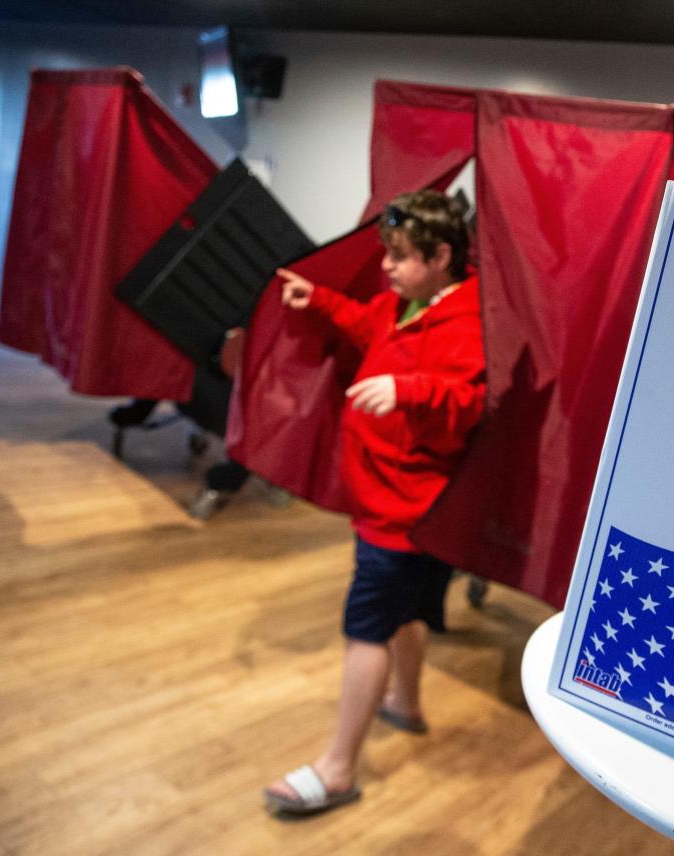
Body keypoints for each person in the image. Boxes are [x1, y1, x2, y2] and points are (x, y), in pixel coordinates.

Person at [264, 190, 484, 816]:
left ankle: (337, 771)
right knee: (406, 614)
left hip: (402, 511)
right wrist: (323, 301)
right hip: (396, 504)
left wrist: (408, 389)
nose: (386, 266)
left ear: (442, 256)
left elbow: (469, 399)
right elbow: (371, 326)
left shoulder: (465, 322)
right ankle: (406, 704)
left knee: (364, 632)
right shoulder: (412, 303)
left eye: (400, 256)